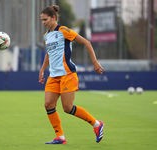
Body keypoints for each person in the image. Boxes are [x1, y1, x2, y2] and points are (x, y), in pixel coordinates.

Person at [39, 5, 105, 144]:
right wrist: (42, 69)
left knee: (67, 108)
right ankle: (60, 137)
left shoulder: (63, 31)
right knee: (48, 104)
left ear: (53, 17)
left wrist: (95, 62)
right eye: (42, 20)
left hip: (67, 74)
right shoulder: (46, 36)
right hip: (53, 76)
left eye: (45, 19)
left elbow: (86, 42)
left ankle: (97, 124)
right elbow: (48, 54)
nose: (43, 22)